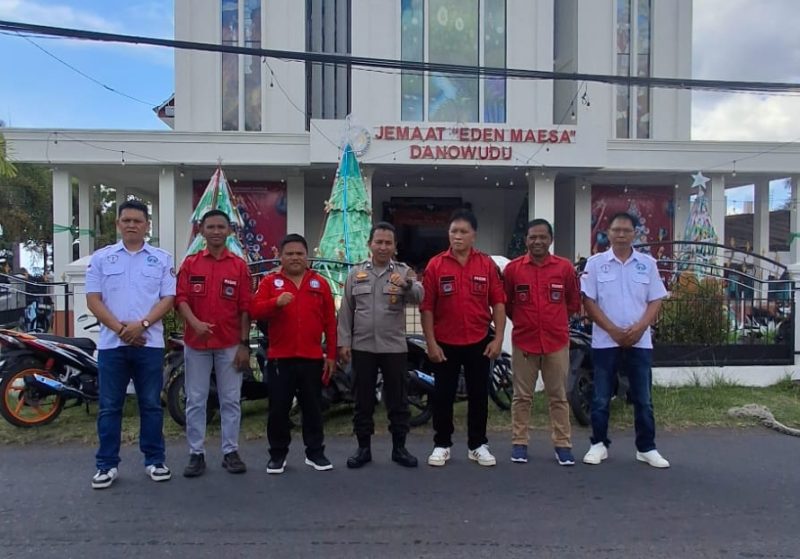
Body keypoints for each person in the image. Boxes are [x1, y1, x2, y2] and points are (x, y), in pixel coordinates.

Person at [85, 199, 176, 489]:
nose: (132, 225)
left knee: (151, 404)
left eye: (138, 221)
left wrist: (142, 325)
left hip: (149, 344)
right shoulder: (101, 258)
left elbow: (168, 299)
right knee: (110, 407)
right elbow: (93, 299)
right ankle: (106, 465)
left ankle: (155, 460)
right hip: (112, 346)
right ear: (118, 224)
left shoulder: (161, 259)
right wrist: (121, 330)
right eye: (126, 220)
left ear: (147, 225)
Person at [580, 212, 670, 468]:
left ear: (634, 234)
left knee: (643, 398)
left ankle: (646, 448)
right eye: (616, 230)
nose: (621, 234)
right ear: (608, 233)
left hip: (639, 341)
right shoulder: (595, 264)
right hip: (605, 341)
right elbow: (588, 301)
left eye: (626, 230)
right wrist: (613, 330)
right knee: (600, 396)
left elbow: (656, 300)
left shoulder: (647, 264)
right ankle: (598, 444)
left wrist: (640, 328)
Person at [420, 208, 506, 467]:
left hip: (479, 341)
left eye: (463, 232)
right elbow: (427, 308)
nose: (457, 236)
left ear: (473, 235)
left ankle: (477, 444)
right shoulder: (436, 265)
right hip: (445, 343)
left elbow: (498, 303)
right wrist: (431, 343)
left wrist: (498, 339)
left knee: (479, 395)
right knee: (442, 396)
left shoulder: (486, 264)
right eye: (453, 231)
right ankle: (442, 444)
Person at [337, 222, 423, 469]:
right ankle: (363, 449)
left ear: (395, 247)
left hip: (393, 347)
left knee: (398, 401)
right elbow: (346, 311)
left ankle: (399, 448)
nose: (383, 247)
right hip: (362, 347)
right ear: (370, 244)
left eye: (388, 243)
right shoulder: (356, 274)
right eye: (379, 242)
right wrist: (344, 342)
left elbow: (419, 296)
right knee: (362, 401)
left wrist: (406, 285)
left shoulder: (404, 272)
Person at [250, 234, 337, 474]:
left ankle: (315, 453)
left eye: (299, 253)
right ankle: (278, 455)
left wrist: (331, 355)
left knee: (313, 408)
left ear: (307, 256)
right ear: (280, 256)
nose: (295, 258)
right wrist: (276, 303)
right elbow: (254, 309)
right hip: (280, 358)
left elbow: (330, 323)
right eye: (289, 254)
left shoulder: (320, 283)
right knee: (278, 409)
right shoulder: (270, 282)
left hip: (312, 357)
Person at [175, 209, 252, 478]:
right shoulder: (190, 264)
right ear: (201, 230)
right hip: (196, 344)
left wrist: (244, 345)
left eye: (221, 227)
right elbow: (180, 299)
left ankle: (230, 451)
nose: (216, 231)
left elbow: (245, 308)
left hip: (229, 343)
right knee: (196, 400)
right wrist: (194, 323)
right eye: (211, 227)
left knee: (231, 400)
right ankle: (196, 453)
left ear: (229, 231)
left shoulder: (239, 266)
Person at [503, 219, 581, 466]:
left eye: (542, 237)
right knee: (521, 397)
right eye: (533, 237)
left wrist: (553, 321)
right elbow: (507, 304)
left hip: (556, 342)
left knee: (558, 396)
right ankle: (519, 443)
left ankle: (563, 445)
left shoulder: (564, 268)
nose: (537, 241)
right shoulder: (513, 269)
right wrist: (526, 322)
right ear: (526, 240)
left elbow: (572, 302)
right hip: (524, 342)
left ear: (551, 239)